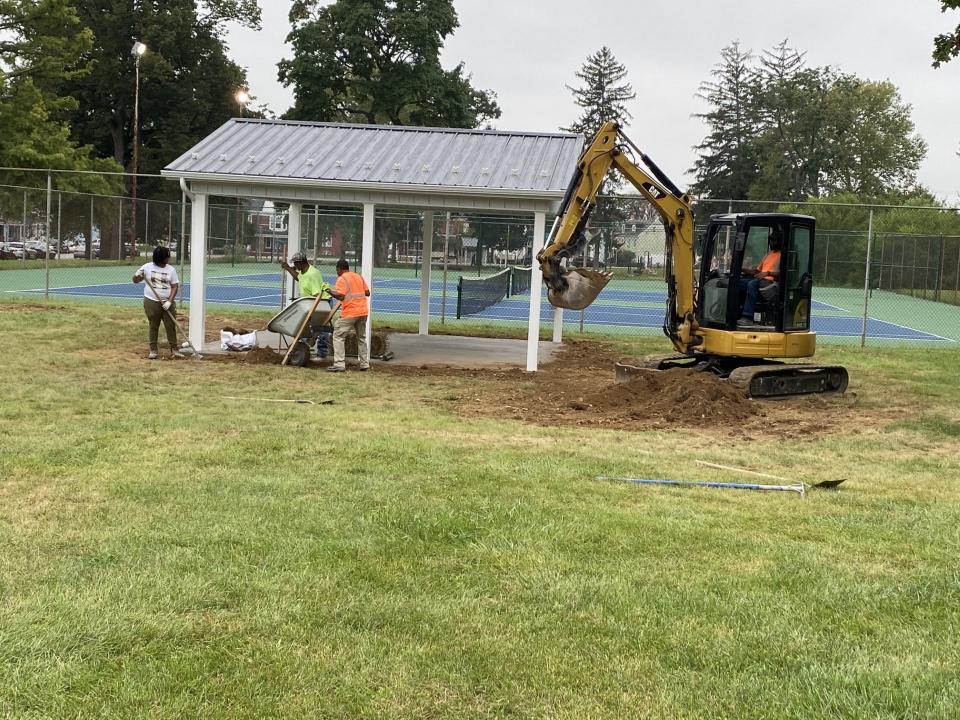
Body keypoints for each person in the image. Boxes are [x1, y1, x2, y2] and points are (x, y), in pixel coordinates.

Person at [280, 252, 335, 357]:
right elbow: (298, 277)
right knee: (304, 325)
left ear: (301, 263)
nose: (294, 266)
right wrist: (288, 268)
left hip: (322, 303)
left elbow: (317, 295)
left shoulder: (313, 274)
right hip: (311, 302)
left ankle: (322, 353)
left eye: (295, 264)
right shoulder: (303, 272)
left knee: (320, 328)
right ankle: (305, 346)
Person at [133, 246, 184, 359]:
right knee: (153, 325)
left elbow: (175, 286)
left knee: (170, 325)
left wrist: (170, 301)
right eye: (167, 256)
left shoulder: (171, 270)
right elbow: (135, 281)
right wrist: (137, 275)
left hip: (167, 302)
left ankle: (174, 349)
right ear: (162, 258)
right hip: (151, 301)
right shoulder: (147, 267)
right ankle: (153, 350)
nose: (169, 258)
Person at [326, 259, 370, 373]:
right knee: (361, 338)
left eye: (337, 270)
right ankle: (364, 364)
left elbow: (340, 296)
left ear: (339, 269)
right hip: (363, 312)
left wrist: (329, 291)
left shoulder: (342, 278)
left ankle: (339, 364)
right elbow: (367, 293)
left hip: (350, 312)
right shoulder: (358, 276)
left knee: (338, 335)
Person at [738, 229, 782, 324]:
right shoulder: (768, 255)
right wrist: (742, 269)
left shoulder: (782, 256)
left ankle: (747, 317)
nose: (770, 243)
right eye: (770, 240)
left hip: (771, 283)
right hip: (760, 280)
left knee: (752, 284)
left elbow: (781, 274)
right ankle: (736, 312)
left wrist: (767, 273)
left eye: (773, 240)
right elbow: (757, 271)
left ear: (779, 241)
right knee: (738, 283)